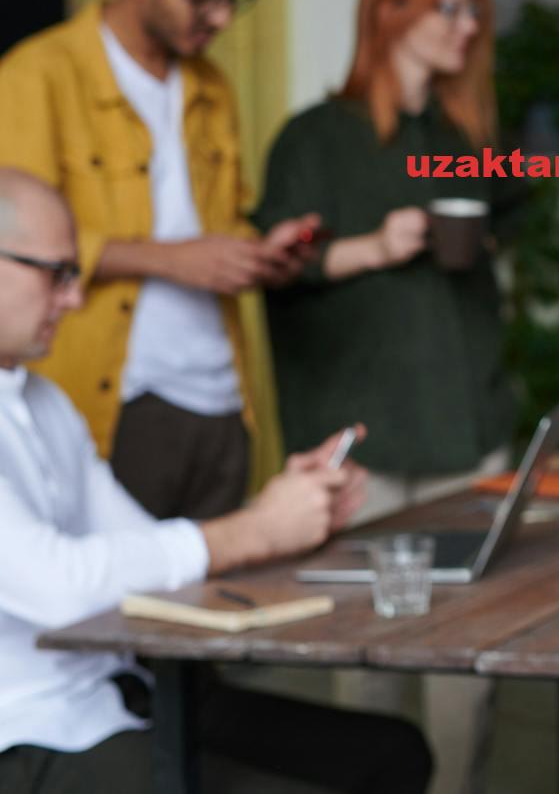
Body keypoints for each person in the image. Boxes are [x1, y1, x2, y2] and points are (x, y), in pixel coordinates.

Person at [0, 167, 432, 794]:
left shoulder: (44, 402)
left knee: (392, 753)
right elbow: (57, 587)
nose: (74, 296)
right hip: (31, 733)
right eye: (57, 273)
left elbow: (149, 546)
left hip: (124, 695)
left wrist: (283, 513)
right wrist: (256, 530)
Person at [253, 0, 518, 794]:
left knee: (464, 673)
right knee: (366, 666)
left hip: (464, 429)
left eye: (474, 10)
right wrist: (369, 247)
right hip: (362, 437)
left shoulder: (462, 135)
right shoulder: (314, 138)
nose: (469, 26)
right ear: (390, 11)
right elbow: (273, 268)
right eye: (450, 7)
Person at [0, 0, 319, 520]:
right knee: (121, 606)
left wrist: (258, 255)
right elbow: (17, 246)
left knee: (221, 598)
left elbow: (217, 222)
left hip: (223, 397)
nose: (222, 18)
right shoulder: (38, 75)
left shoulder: (212, 87)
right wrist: (174, 261)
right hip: (117, 399)